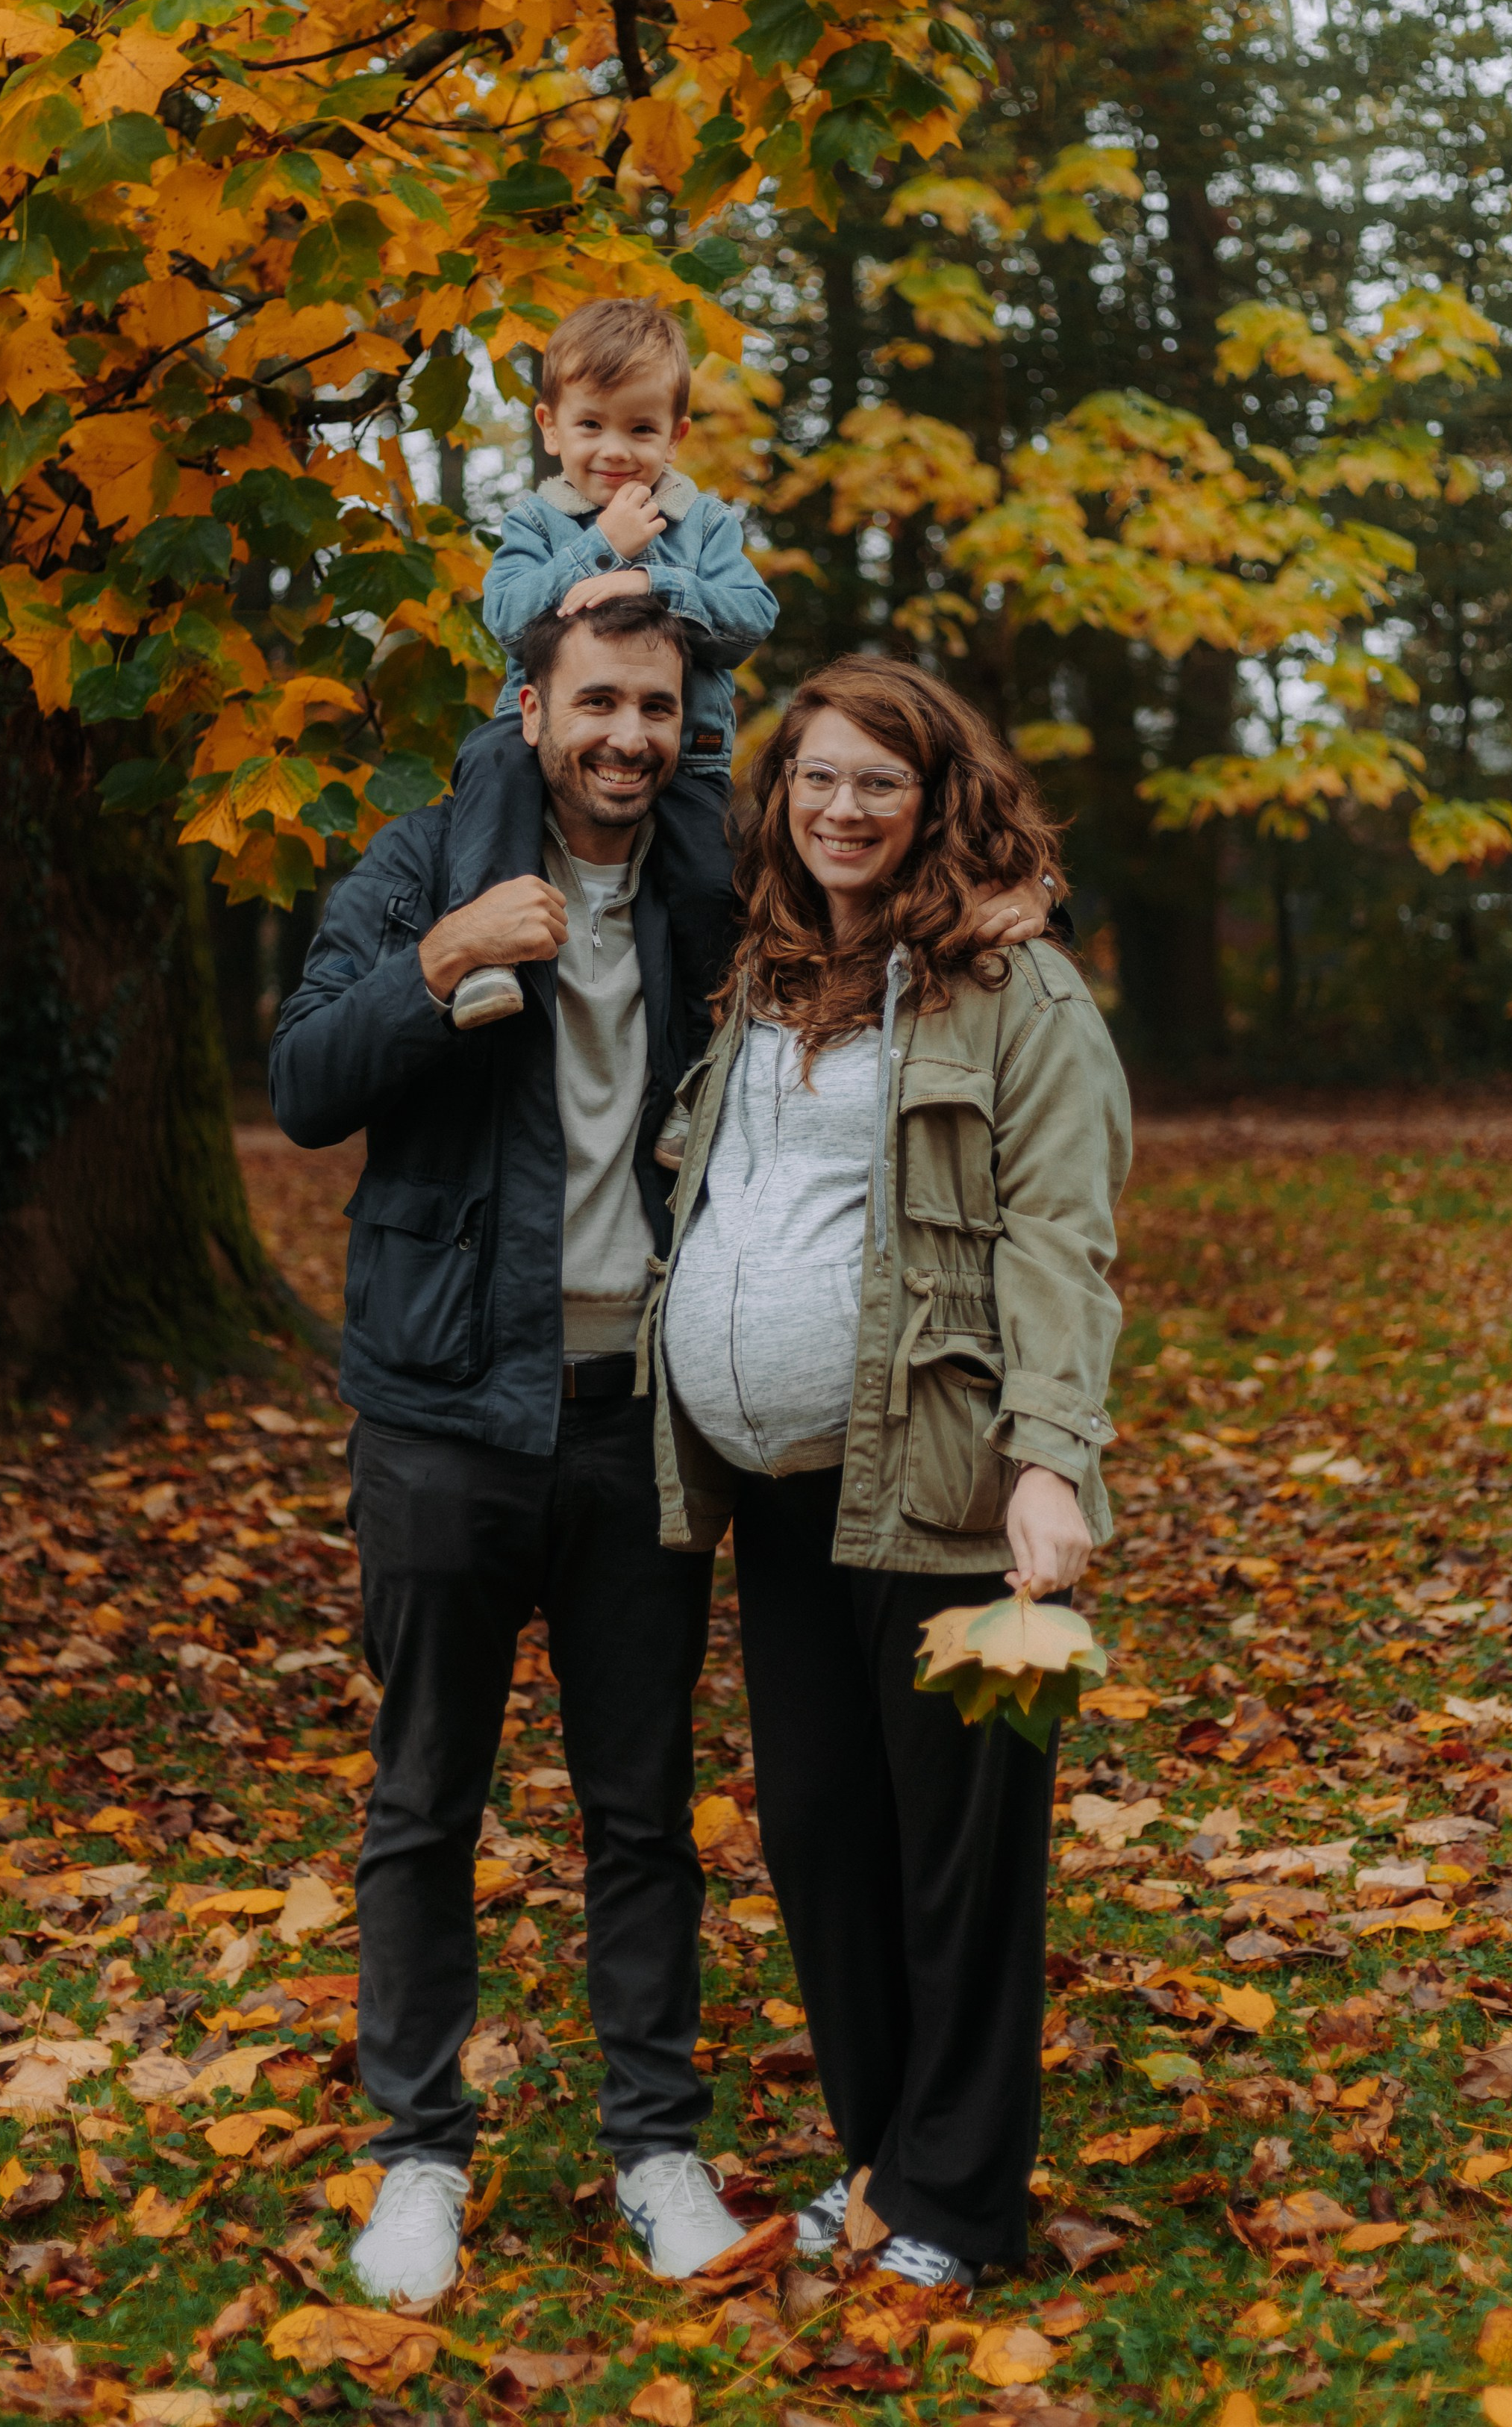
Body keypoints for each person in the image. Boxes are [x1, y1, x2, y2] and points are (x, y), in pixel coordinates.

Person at [269, 592, 755, 2303]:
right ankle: (416, 2159)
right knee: (423, 1805)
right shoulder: (418, 865)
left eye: (657, 709)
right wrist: (444, 960)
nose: (628, 736)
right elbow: (305, 1082)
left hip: (640, 1423)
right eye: (598, 702)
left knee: (642, 1812)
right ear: (532, 706)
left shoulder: (710, 891)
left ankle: (657, 2145)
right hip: (443, 1418)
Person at [644, 654, 1131, 2290]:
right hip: (784, 1499)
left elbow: (1061, 1238)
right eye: (814, 778)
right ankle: (881, 2165)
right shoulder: (766, 973)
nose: (840, 808)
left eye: (876, 780)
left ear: (937, 799)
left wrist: (1047, 1464)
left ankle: (958, 2208)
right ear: (778, 799)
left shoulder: (1013, 988)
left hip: (943, 1488)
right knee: (820, 1839)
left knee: (959, 1864)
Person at [462, 296, 779, 1031]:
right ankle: (485, 959)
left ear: (676, 435)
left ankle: (701, 1064)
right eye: (591, 424)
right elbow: (509, 620)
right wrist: (601, 543)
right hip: (535, 739)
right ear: (549, 427)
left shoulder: (703, 524)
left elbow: (752, 619)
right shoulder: (536, 521)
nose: (615, 449)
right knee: (486, 784)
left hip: (683, 757)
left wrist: (650, 580)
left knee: (706, 888)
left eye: (641, 428)